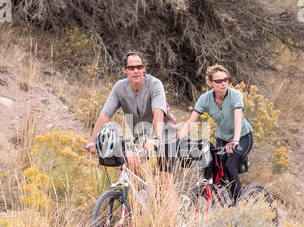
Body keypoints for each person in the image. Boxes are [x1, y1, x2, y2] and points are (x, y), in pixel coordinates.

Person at [85, 51, 177, 184]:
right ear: (124, 70)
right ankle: (147, 191)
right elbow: (105, 115)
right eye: (131, 68)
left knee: (165, 181)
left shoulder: (155, 85)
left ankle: (167, 201)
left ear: (144, 68)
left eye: (139, 67)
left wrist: (155, 139)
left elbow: (158, 112)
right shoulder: (119, 88)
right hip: (141, 136)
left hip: (165, 135)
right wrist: (93, 141)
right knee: (131, 165)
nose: (136, 71)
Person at [179, 64, 253, 204]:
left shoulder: (235, 95)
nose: (223, 83)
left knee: (230, 165)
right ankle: (223, 200)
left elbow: (238, 119)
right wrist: (180, 139)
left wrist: (235, 140)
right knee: (218, 170)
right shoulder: (205, 99)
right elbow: (191, 121)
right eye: (218, 81)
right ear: (210, 83)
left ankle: (240, 205)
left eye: (225, 80)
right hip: (222, 137)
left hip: (242, 136)